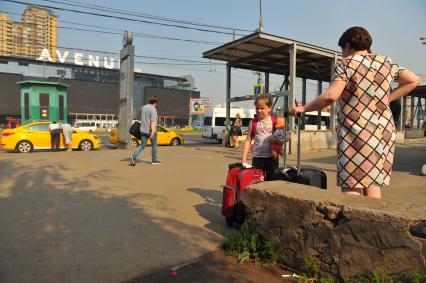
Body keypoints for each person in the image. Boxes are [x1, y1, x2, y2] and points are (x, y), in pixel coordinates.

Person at [290, 26, 421, 198]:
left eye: (342, 50)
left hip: (356, 131)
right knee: (372, 182)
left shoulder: (345, 64)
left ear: (347, 45)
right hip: (383, 132)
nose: (343, 53)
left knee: (352, 182)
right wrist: (386, 99)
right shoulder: (386, 62)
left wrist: (303, 108)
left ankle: (353, 223)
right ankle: (374, 222)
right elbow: (414, 81)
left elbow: (331, 96)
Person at [242, 94, 284, 180]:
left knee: (272, 182)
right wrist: (244, 158)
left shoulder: (275, 121)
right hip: (257, 159)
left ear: (269, 108)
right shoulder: (253, 123)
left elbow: (288, 136)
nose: (259, 110)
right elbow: (248, 140)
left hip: (272, 158)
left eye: (262, 108)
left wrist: (279, 141)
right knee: (257, 181)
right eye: (257, 108)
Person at [129, 96, 161, 166]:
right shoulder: (153, 109)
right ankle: (154, 160)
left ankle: (133, 156)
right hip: (150, 131)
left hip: (142, 130)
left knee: (142, 145)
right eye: (157, 103)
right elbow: (153, 121)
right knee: (154, 145)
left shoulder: (143, 107)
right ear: (155, 102)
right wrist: (152, 132)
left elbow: (138, 117)